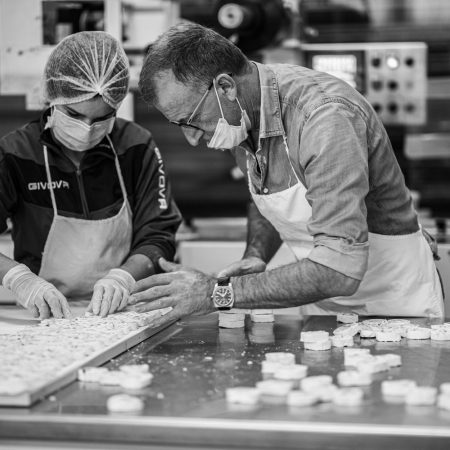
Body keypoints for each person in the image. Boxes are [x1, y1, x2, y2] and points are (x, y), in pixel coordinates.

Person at [133, 22, 444, 326]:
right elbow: (266, 193)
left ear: (225, 87)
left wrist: (217, 293)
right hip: (326, 308)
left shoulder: (324, 118)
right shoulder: (238, 114)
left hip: (396, 305)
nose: (192, 139)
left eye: (191, 120)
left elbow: (340, 269)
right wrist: (257, 254)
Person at [0, 31, 181, 319]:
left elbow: (159, 235)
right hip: (44, 313)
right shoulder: (16, 153)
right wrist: (20, 279)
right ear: (51, 98)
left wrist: (122, 278)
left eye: (100, 118)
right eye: (74, 115)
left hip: (123, 311)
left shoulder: (135, 145)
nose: (87, 128)